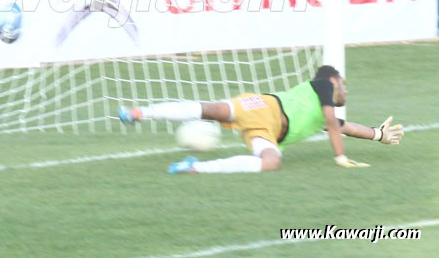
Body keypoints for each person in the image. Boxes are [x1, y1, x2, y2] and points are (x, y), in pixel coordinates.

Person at [118, 65, 404, 174]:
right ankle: (140, 113)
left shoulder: (324, 116)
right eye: (344, 83)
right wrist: (340, 156)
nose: (346, 90)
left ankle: (195, 167)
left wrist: (378, 135)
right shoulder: (323, 85)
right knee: (213, 110)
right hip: (263, 107)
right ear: (333, 80)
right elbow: (333, 121)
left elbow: (345, 127)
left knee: (272, 162)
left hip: (265, 131)